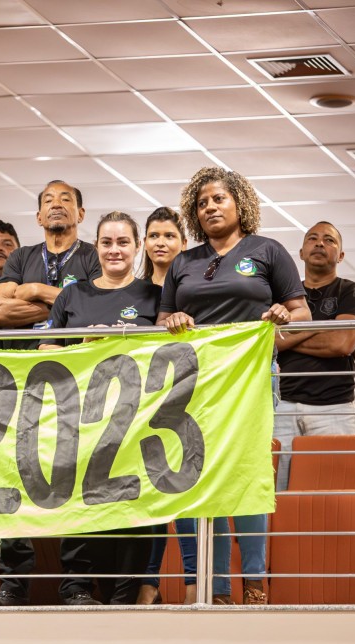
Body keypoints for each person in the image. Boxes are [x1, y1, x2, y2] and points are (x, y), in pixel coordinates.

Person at [158, 166, 311, 605]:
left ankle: (255, 583)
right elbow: (162, 319)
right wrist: (174, 319)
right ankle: (218, 588)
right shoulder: (184, 262)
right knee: (198, 478)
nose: (210, 207)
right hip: (195, 383)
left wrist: (282, 318)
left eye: (219, 199)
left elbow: (302, 313)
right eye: (202, 203)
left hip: (250, 380)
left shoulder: (267, 250)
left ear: (239, 204)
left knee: (245, 475)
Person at [0, 180, 101, 607]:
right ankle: (13, 584)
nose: (56, 205)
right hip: (21, 385)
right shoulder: (21, 257)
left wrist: (32, 291)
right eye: (48, 200)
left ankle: (77, 584)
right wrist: (66, 303)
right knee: (11, 476)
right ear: (37, 216)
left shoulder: (92, 256)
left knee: (75, 478)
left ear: (81, 214)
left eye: (66, 199)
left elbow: (94, 308)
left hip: (74, 386)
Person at [39, 211, 162, 605]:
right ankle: (77, 588)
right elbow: (46, 350)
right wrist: (82, 346)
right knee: (80, 503)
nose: (114, 250)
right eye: (106, 242)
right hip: (81, 420)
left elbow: (167, 350)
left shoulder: (153, 295)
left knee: (131, 509)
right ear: (96, 247)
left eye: (123, 242)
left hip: (135, 421)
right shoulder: (72, 295)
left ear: (137, 246)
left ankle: (124, 594)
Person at [273, 221, 355, 491]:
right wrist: (319, 327)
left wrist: (290, 335)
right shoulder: (283, 298)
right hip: (283, 407)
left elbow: (341, 343)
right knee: (277, 495)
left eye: (329, 240)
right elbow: (269, 343)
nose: (319, 243)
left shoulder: (351, 291)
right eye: (312, 238)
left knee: (334, 493)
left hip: (334, 408)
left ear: (341, 255)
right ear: (301, 253)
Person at [135, 207, 197, 606]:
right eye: (154, 235)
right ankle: (148, 583)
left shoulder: (194, 287)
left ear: (183, 243)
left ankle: (193, 582)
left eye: (169, 235)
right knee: (151, 494)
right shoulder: (135, 291)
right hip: (143, 402)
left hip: (186, 398)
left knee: (184, 491)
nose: (161, 242)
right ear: (144, 243)